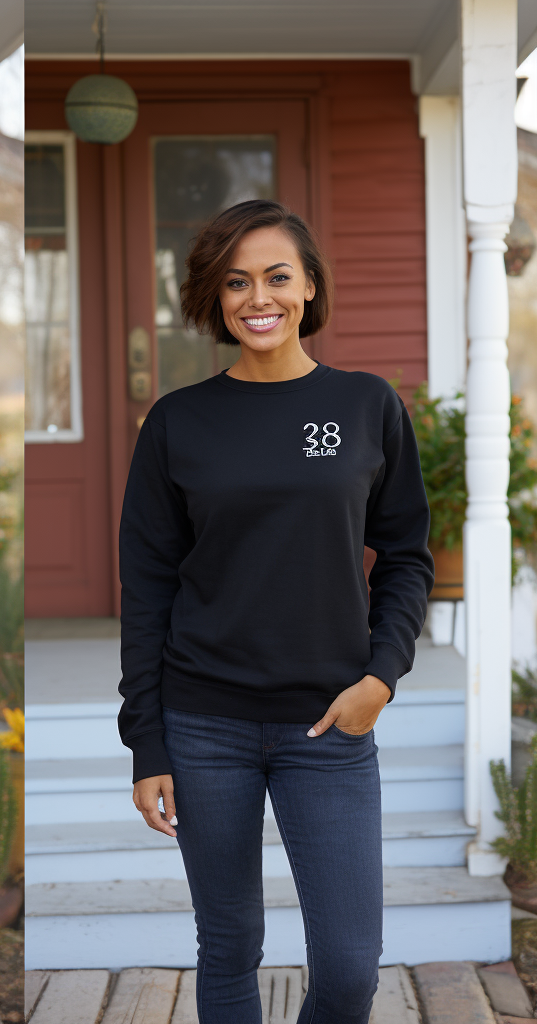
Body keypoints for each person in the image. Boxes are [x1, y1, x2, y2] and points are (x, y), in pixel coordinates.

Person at [118, 199, 434, 1024]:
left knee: (347, 969)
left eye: (276, 276)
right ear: (213, 299)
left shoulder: (367, 406)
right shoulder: (178, 423)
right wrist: (146, 740)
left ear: (309, 287)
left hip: (330, 724)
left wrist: (382, 677)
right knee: (228, 948)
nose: (257, 297)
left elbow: (406, 557)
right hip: (203, 724)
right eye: (235, 281)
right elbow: (147, 586)